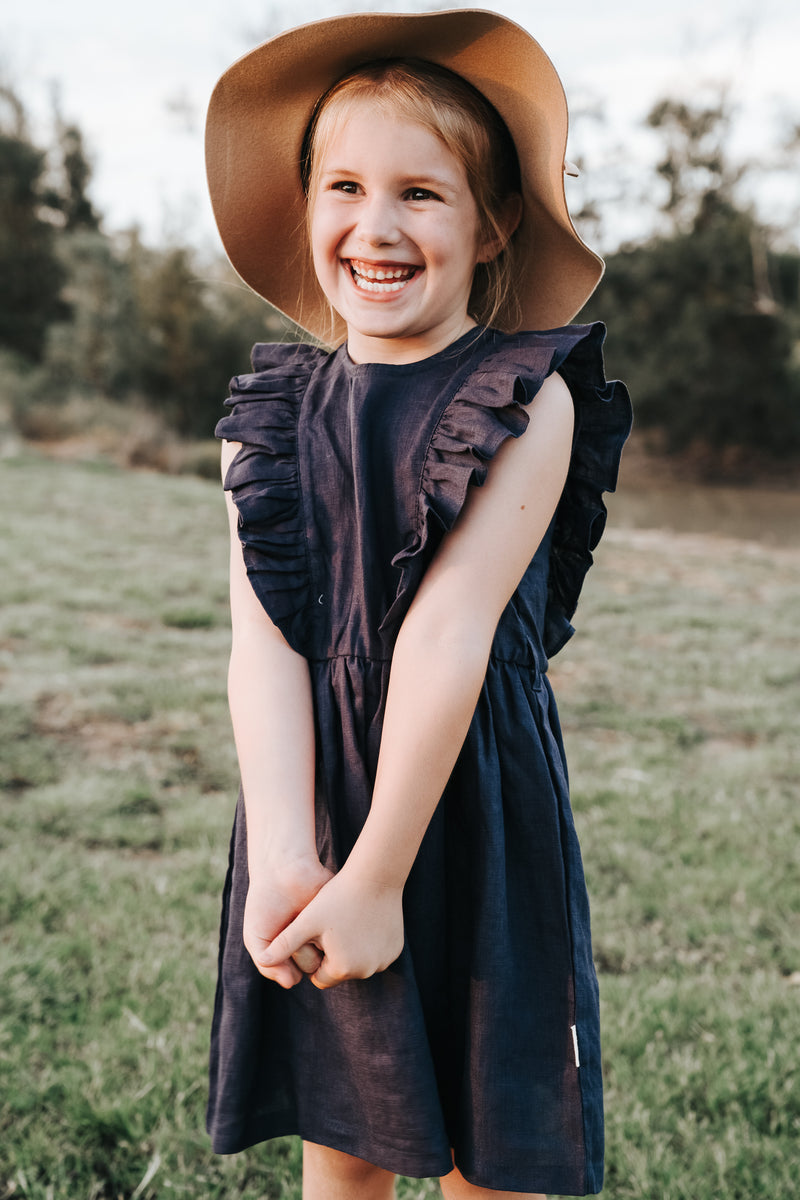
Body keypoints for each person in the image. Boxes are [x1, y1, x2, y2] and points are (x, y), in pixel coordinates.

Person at [204, 10, 632, 1198]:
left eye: (421, 194)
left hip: (463, 814)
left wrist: (378, 876)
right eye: (343, 185)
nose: (375, 226)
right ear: (304, 210)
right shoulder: (270, 416)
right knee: (346, 1139)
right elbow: (264, 650)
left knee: (490, 1153)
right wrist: (293, 855)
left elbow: (450, 631)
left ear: (491, 222)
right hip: (323, 808)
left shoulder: (520, 400)